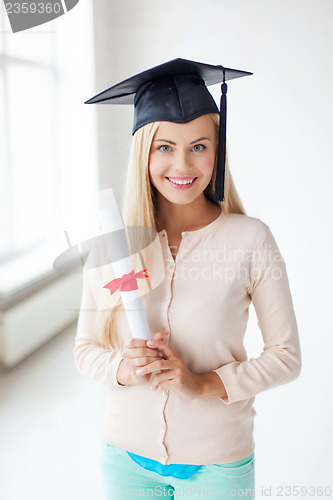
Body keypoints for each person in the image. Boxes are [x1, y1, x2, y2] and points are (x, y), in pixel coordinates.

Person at [74, 59, 302, 499]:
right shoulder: (113, 242)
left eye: (199, 146)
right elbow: (86, 350)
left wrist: (205, 383)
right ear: (143, 152)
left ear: (218, 151)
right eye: (164, 147)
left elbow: (286, 356)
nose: (182, 163)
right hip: (125, 459)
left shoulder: (251, 239)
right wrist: (123, 367)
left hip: (217, 462)